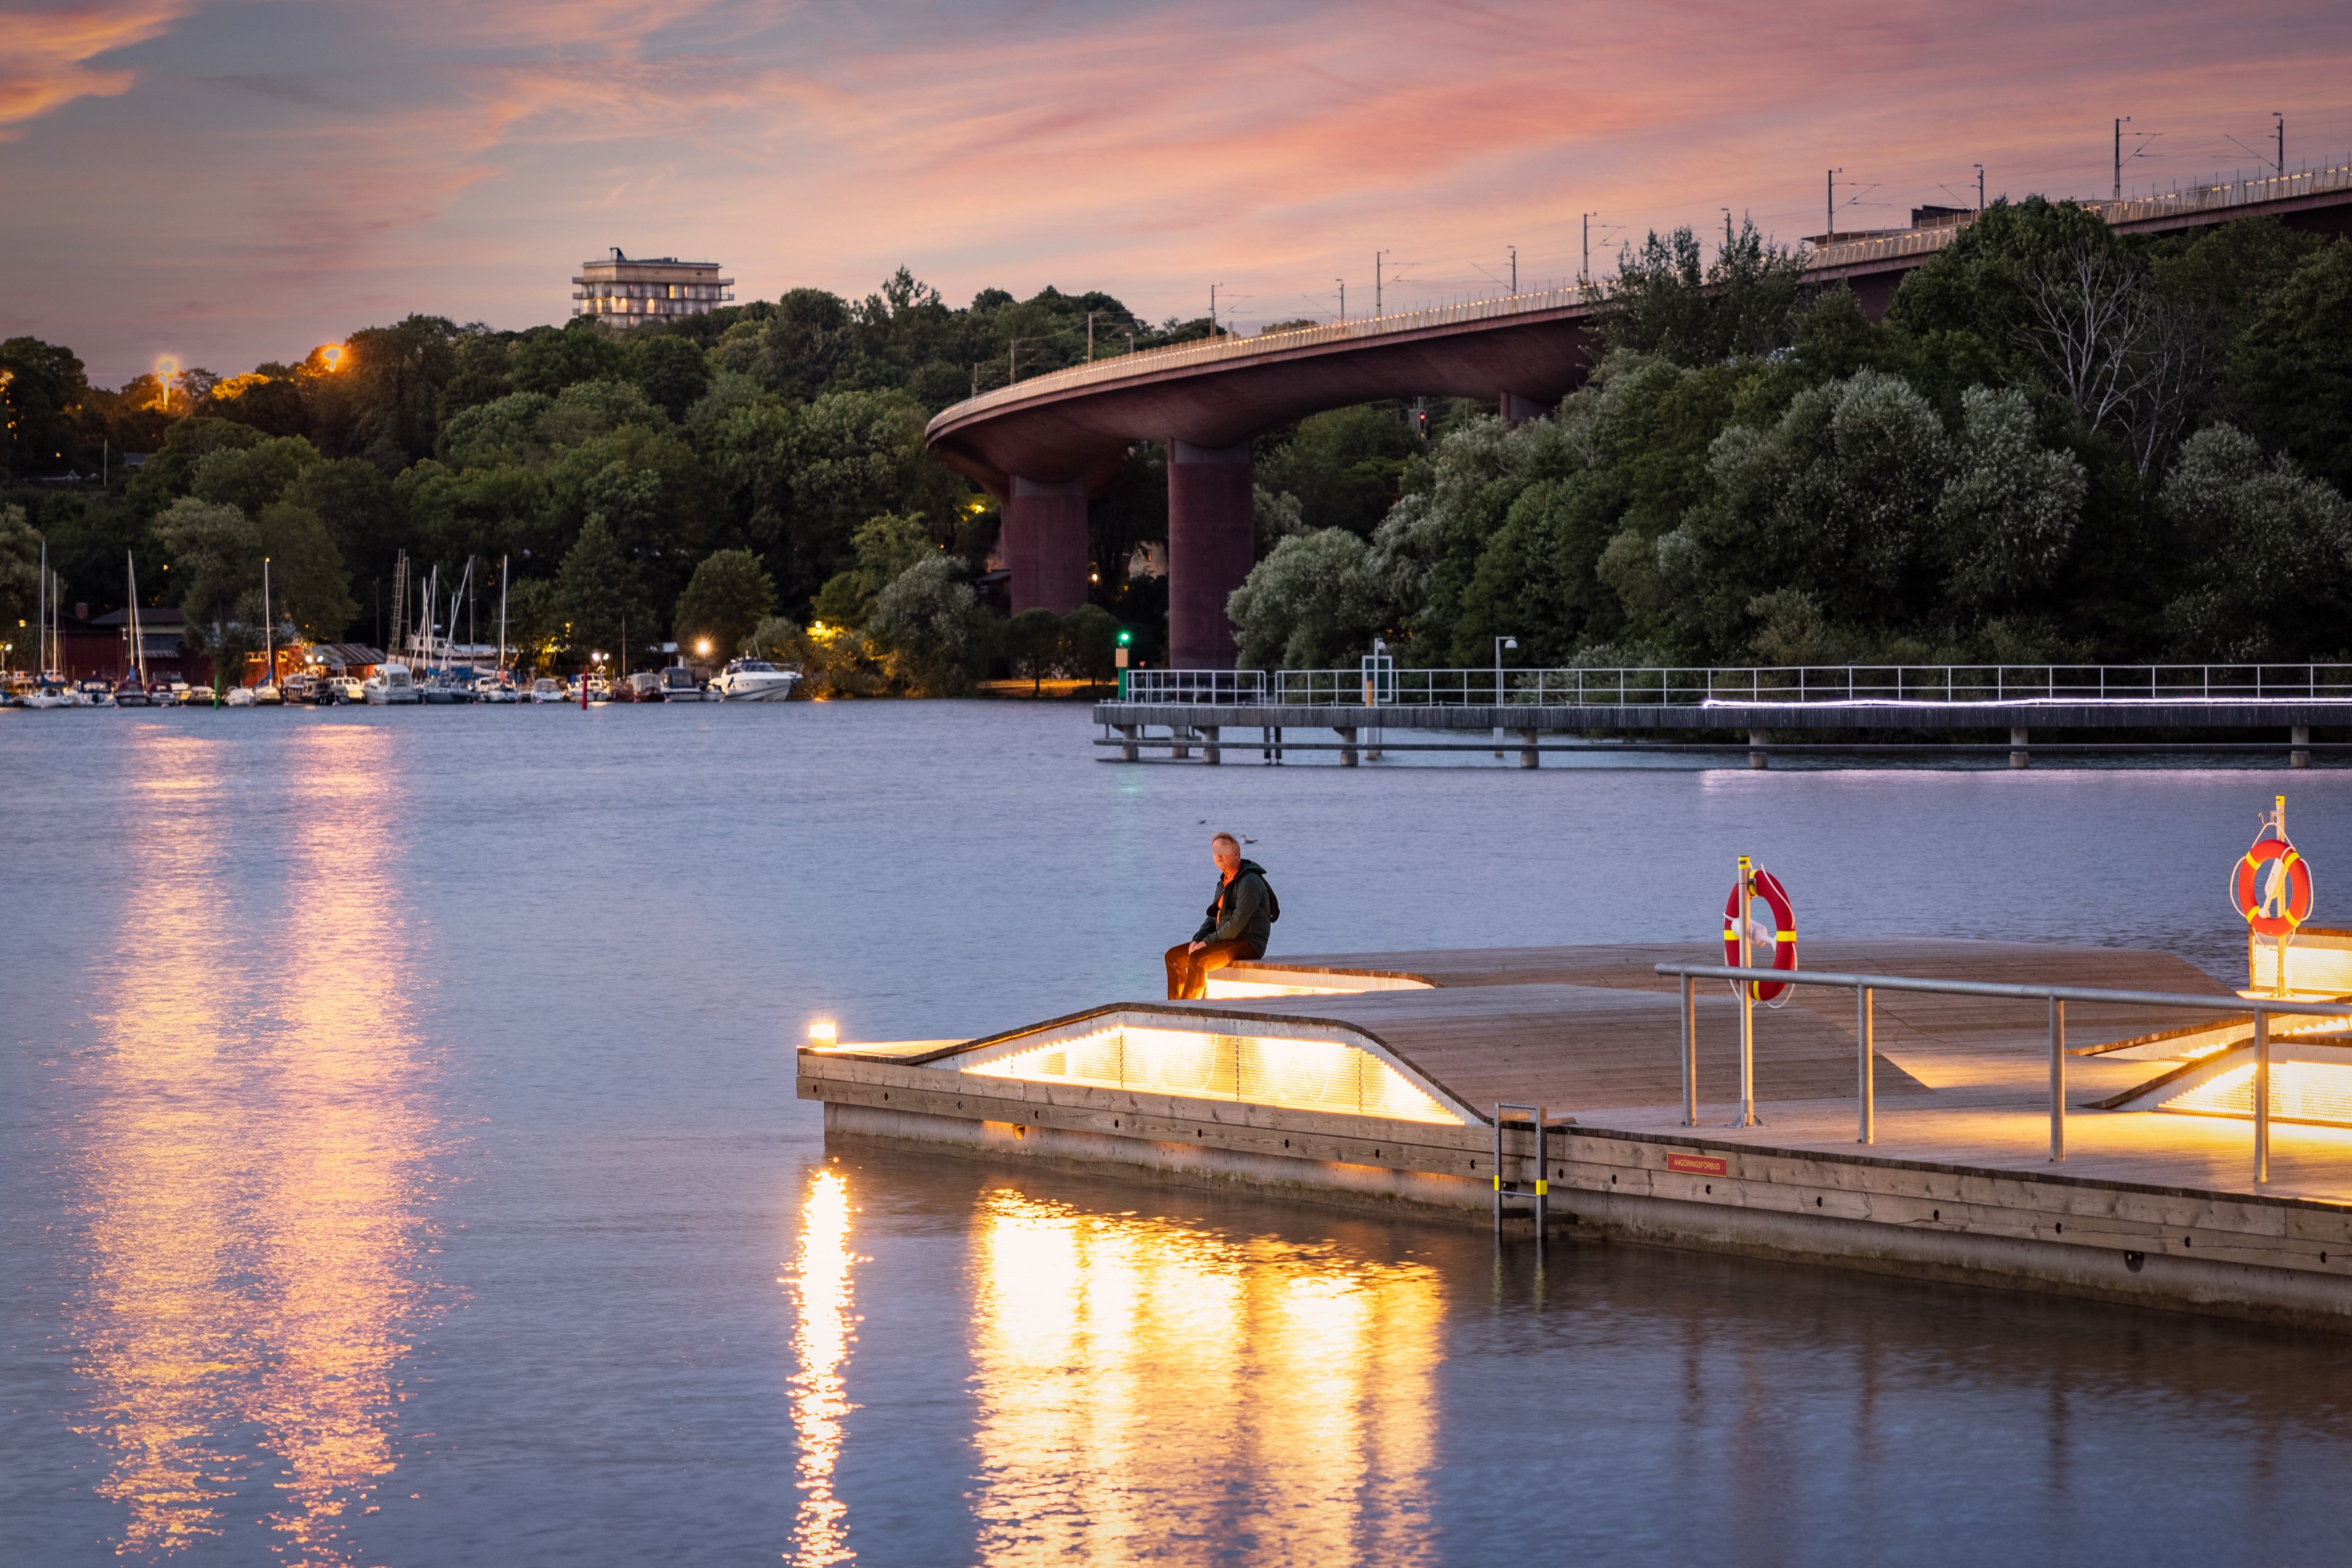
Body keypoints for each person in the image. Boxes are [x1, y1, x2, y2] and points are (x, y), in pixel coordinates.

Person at [1165, 833, 1273, 1000]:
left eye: (1223, 850)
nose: (1218, 855)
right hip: (1226, 939)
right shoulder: (1224, 881)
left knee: (1198, 960)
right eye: (1215, 851)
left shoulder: (1249, 881)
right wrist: (1198, 939)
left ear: (1236, 853)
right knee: (1173, 958)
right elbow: (1213, 918)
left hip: (1248, 942)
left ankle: (1187, 1010)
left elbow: (1237, 922)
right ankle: (1174, 1007)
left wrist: (1208, 942)